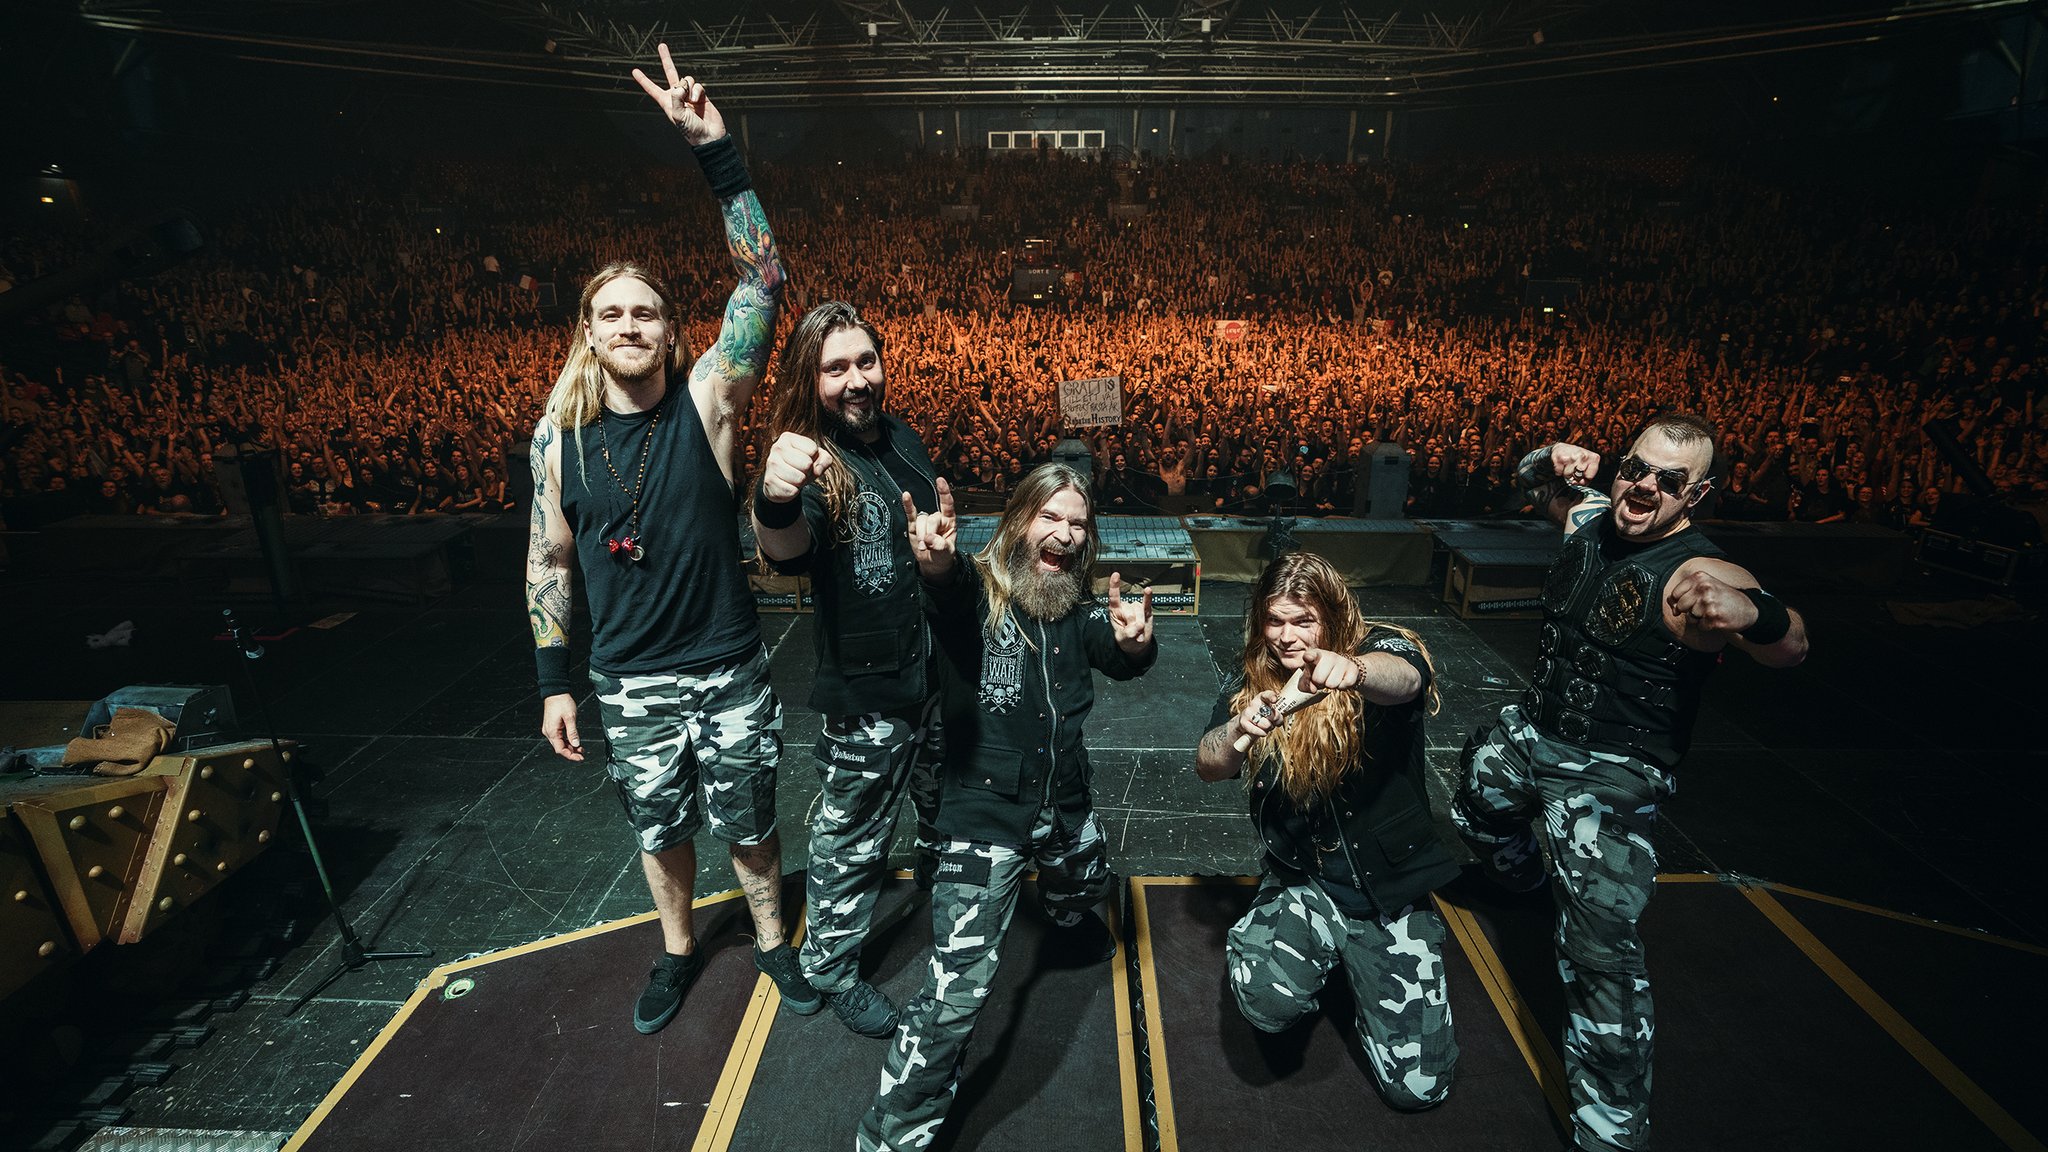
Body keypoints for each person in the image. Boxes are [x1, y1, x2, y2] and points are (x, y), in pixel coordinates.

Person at [522, 49, 813, 1037]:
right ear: (587, 332)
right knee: (658, 827)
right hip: (628, 679)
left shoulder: (708, 399)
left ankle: (771, 942)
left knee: (751, 822)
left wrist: (717, 153)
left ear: (667, 328)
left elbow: (763, 278)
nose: (630, 324)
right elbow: (548, 561)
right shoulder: (557, 439)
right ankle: (678, 950)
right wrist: (553, 682)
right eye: (611, 313)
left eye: (645, 311)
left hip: (726, 665)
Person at [1451, 413, 1808, 1152]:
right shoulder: (1588, 518)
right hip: (1535, 730)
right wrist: (1548, 453)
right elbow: (1526, 481)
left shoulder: (1700, 574)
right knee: (1478, 795)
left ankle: (1611, 1127)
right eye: (1635, 468)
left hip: (1612, 771)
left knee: (1598, 953)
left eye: (1668, 481)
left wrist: (1755, 613)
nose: (1644, 487)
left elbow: (1793, 647)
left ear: (1695, 495)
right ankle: (1521, 880)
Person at [858, 462, 1157, 1152]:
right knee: (955, 996)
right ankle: (892, 1131)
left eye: (1077, 524)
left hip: (1063, 798)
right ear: (1019, 520)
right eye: (1050, 517)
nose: (1065, 534)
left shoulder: (1075, 607)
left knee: (1086, 875)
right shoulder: (978, 594)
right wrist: (936, 563)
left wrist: (1135, 643)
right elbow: (946, 591)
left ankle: (1064, 915)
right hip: (984, 814)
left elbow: (1116, 654)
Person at [1194, 550, 1460, 1111]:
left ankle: (1366, 975)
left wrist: (1354, 671)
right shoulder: (1254, 678)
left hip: (1384, 892)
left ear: (1332, 616)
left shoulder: (1381, 648)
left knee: (1419, 1091)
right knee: (1266, 1004)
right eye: (1275, 621)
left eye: (1303, 621)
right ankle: (1310, 943)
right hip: (1304, 880)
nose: (1286, 637)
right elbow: (1208, 763)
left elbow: (1406, 678)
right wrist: (1240, 728)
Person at [752, 301, 945, 1039]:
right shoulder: (808, 460)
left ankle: (943, 895)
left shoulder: (902, 438)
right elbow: (786, 549)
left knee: (943, 803)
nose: (857, 379)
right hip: (868, 694)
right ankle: (831, 968)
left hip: (933, 672)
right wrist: (772, 498)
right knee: (853, 839)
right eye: (836, 368)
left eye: (866, 361)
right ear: (811, 379)